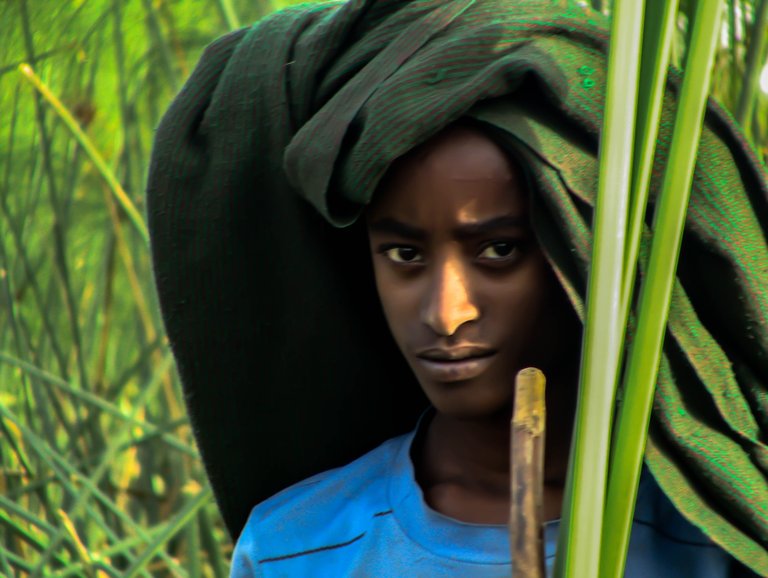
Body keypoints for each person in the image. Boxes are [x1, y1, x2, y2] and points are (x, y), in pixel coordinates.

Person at [146, 0, 768, 575]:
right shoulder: (297, 549)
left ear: (584, 255)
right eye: (404, 254)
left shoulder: (716, 545)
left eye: (499, 251)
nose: (446, 314)